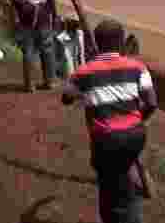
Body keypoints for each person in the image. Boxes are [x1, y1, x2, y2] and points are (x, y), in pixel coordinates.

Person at [62, 19, 158, 223]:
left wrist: (90, 92)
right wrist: (137, 121)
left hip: (105, 139)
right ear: (122, 43)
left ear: (96, 44)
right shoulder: (138, 67)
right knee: (125, 175)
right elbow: (151, 102)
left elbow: (66, 97)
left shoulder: (84, 72)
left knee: (109, 187)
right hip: (135, 136)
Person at [8, 0, 59, 91]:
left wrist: (19, 7)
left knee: (28, 48)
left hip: (25, 12)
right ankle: (50, 81)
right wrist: (54, 13)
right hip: (42, 12)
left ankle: (29, 84)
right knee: (47, 46)